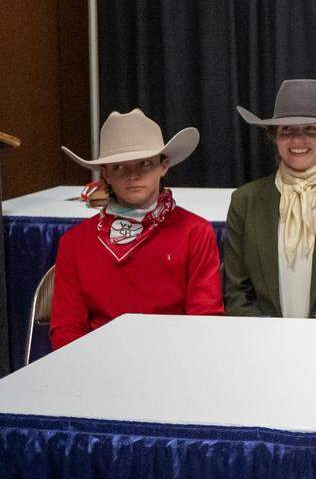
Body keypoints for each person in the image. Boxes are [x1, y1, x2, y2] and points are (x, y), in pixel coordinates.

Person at [51, 109, 222, 348]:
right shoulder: (75, 243)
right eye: (120, 167)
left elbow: (204, 322)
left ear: (164, 166)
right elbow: (67, 327)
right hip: (96, 367)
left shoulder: (195, 233)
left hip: (175, 362)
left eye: (145, 163)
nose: (133, 175)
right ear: (106, 174)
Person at [222, 79, 316, 319]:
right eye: (287, 130)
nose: (298, 140)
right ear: (275, 137)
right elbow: (236, 291)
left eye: (310, 129)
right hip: (263, 345)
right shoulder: (245, 201)